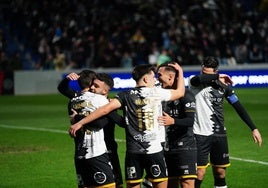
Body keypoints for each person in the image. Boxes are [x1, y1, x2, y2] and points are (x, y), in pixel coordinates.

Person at [69, 63, 185, 188]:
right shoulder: (157, 92)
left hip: (133, 153)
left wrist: (79, 122)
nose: (155, 79)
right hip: (154, 151)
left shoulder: (125, 95)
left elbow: (104, 110)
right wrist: (180, 71)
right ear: (146, 79)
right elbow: (180, 92)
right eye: (153, 77)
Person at [189, 56, 262, 188]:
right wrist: (217, 76)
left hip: (219, 134)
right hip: (199, 134)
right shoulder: (194, 82)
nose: (204, 74)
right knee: (199, 173)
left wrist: (253, 128)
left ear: (215, 70)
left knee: (220, 172)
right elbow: (200, 78)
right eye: (203, 71)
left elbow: (238, 107)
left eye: (208, 72)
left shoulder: (223, 87)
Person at [58, 71, 124, 188]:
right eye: (93, 84)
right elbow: (112, 122)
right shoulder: (101, 102)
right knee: (112, 183)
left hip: (86, 150)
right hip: (101, 149)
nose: (93, 87)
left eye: (96, 85)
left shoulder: (75, 100)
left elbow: (62, 88)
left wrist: (78, 118)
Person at [156, 62, 197, 188]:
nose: (157, 78)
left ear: (170, 76)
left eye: (159, 75)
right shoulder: (161, 94)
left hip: (185, 147)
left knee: (187, 183)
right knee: (170, 184)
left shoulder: (187, 95)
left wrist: (173, 121)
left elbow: (190, 121)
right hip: (167, 147)